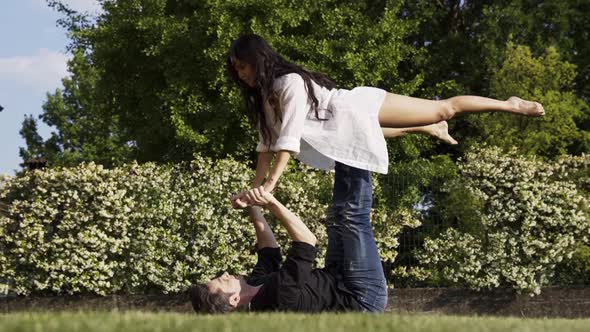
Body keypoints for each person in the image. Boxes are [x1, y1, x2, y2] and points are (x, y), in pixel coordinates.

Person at [227, 34, 545, 197]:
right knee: (370, 134)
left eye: (243, 66)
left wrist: (269, 186)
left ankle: (509, 104)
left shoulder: (289, 84)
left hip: (355, 107)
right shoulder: (263, 101)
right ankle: (428, 128)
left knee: (446, 107)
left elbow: (288, 140)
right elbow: (266, 146)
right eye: (236, 69)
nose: (240, 74)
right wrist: (255, 187)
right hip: (339, 129)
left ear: (258, 59)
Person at [190, 161, 386, 313]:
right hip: (361, 297)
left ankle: (345, 148)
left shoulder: (254, 287)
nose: (224, 274)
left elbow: (269, 252)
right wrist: (270, 203)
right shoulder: (275, 302)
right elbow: (307, 242)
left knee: (337, 218)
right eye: (222, 281)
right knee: (352, 217)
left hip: (337, 278)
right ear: (233, 300)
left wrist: (253, 207)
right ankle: (359, 142)